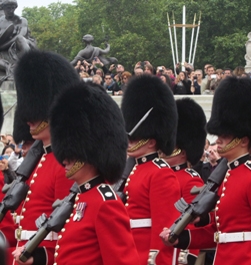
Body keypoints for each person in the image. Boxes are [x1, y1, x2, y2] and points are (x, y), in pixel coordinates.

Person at [160, 77, 251, 265]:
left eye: (225, 136)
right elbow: (219, 233)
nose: (218, 140)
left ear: (244, 140)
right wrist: (183, 238)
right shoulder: (228, 177)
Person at [48, 82, 139, 265]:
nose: (64, 160)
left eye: (71, 155)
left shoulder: (105, 203)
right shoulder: (82, 198)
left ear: (86, 152)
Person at [10, 50, 80, 265]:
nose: (28, 119)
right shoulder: (38, 160)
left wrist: (41, 257)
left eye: (37, 112)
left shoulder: (65, 164)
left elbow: (68, 232)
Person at [121, 75, 181, 264]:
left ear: (151, 141)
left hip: (144, 256)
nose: (130, 141)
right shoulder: (132, 170)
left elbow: (165, 228)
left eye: (136, 138)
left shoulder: (160, 173)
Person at [163, 97, 207, 264]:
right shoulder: (160, 174)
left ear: (182, 152)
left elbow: (193, 221)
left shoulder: (191, 180)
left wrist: (187, 256)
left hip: (179, 251)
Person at [0, 0, 36, 77]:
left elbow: (20, 36)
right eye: (8, 8)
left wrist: (3, 46)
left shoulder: (22, 20)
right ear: (3, 8)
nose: (11, 10)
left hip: (20, 45)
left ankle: (26, 63)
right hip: (4, 47)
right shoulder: (0, 21)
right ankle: (8, 67)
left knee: (20, 39)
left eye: (13, 8)